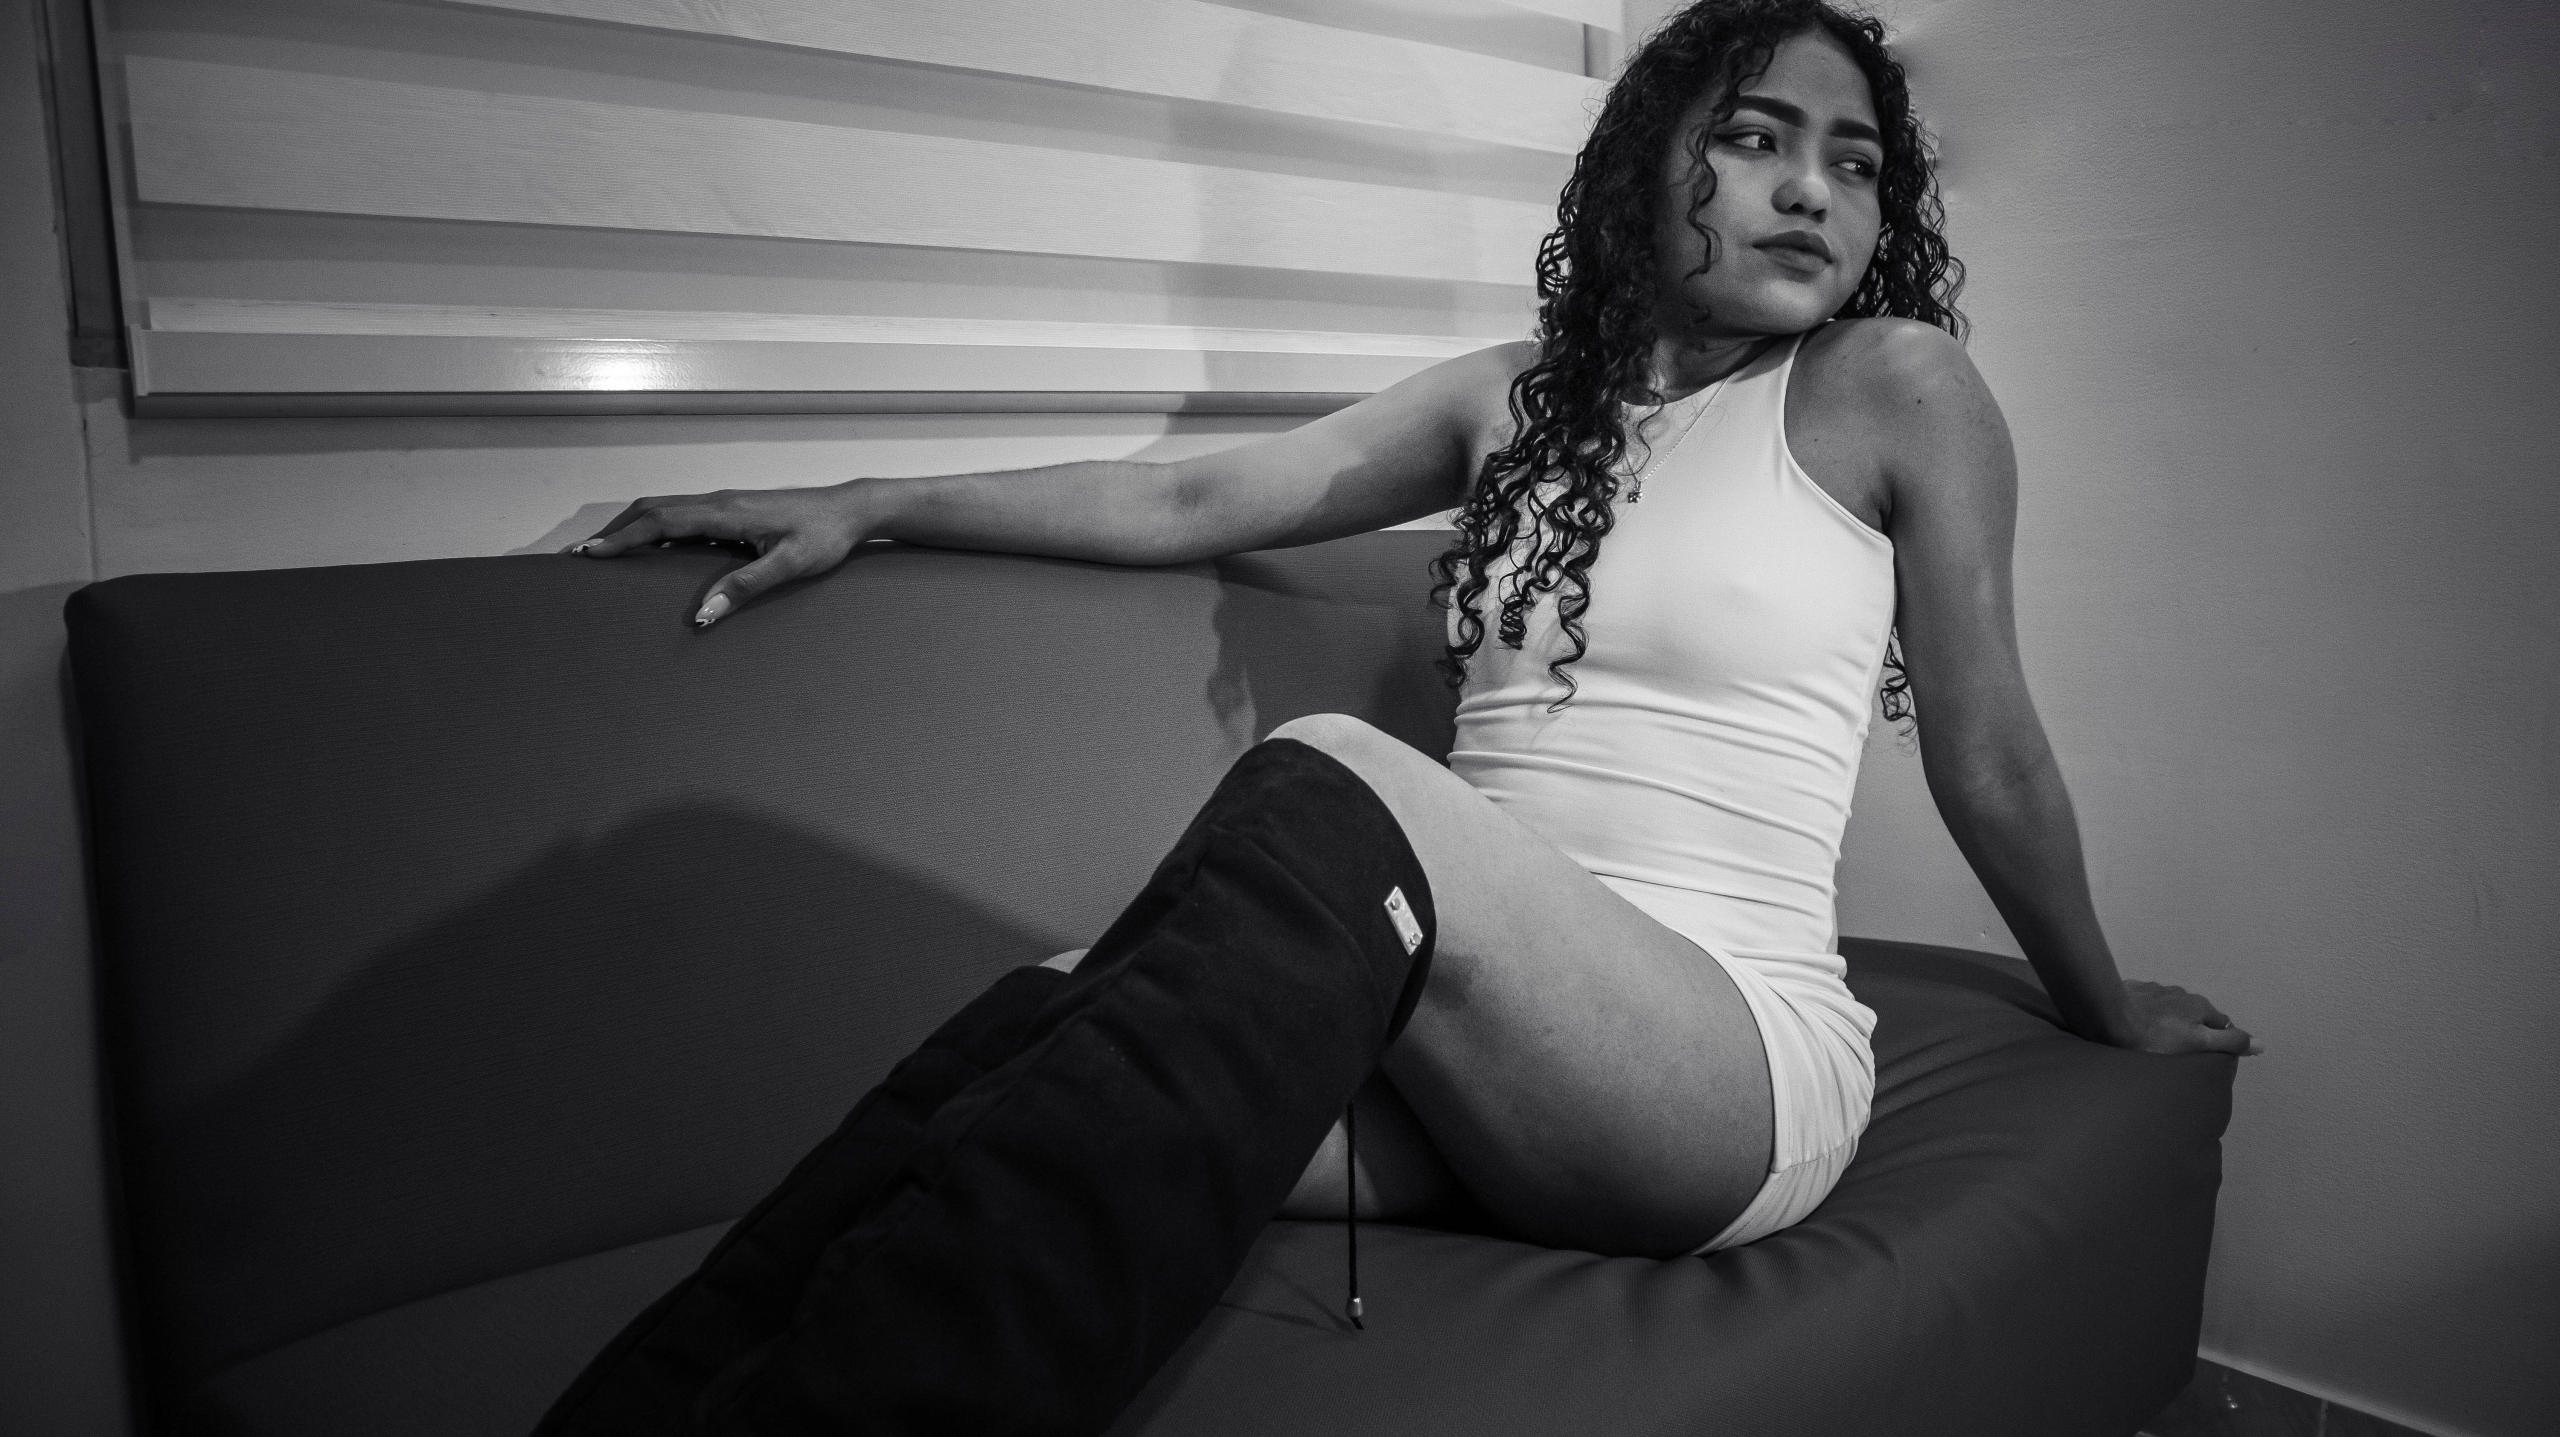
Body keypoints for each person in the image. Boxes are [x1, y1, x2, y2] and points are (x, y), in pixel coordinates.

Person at [544, 2, 2256, 1430]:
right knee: (1029, 1036)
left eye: (1857, 162)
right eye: (1756, 139)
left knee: (1330, 776)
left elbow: (1990, 750)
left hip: (1717, 1063)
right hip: (1463, 1045)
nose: (1813, 188)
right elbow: (1192, 495)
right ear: (1648, 162)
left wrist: (2103, 1004)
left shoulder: (1896, 389)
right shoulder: (1512, 401)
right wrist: (867, 501)